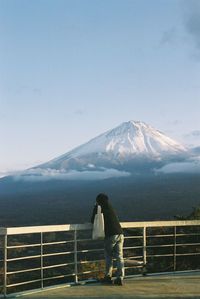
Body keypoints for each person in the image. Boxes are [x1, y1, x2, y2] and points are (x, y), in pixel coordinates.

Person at [91, 193, 124, 285]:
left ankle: (108, 276)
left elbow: (93, 219)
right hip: (120, 233)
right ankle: (120, 277)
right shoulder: (110, 207)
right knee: (119, 256)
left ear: (98, 201)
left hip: (110, 235)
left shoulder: (100, 208)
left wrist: (95, 207)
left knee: (109, 256)